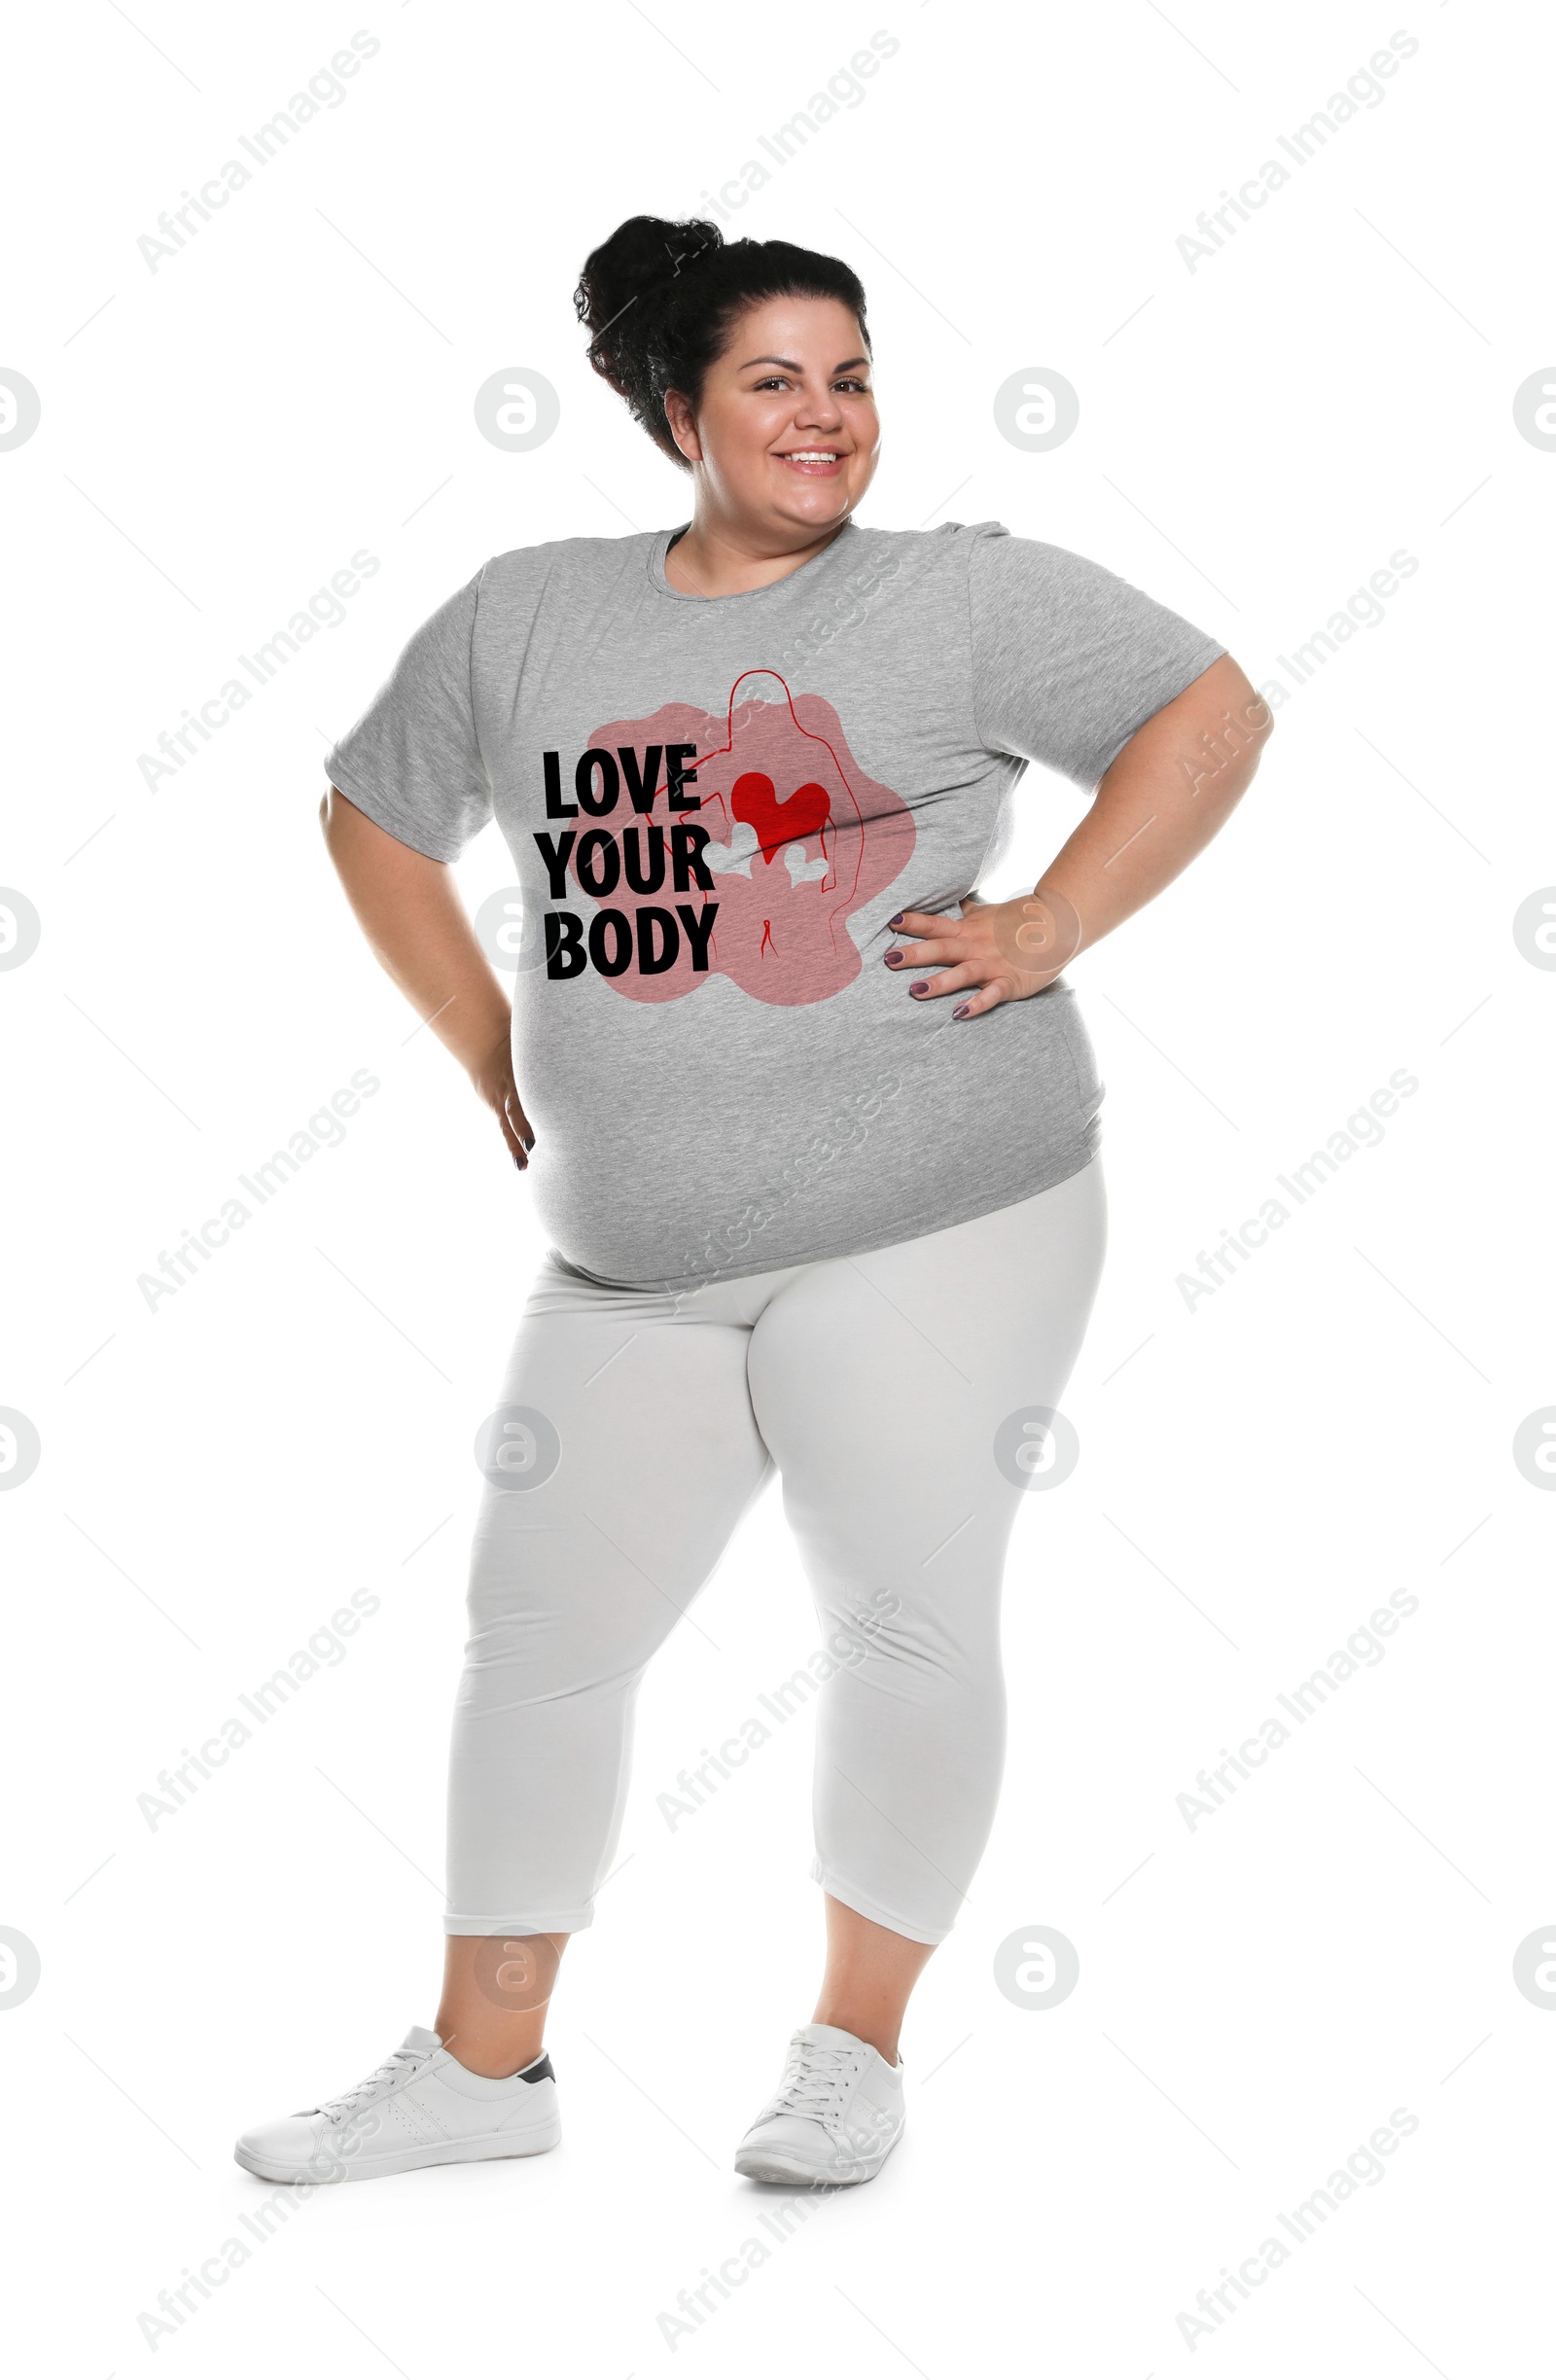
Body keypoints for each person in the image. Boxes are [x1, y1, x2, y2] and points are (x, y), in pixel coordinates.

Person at [234, 214, 1271, 2191]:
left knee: (896, 1612)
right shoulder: (527, 613)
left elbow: (1208, 712)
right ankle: (481, 2072)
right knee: (534, 1634)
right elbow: (372, 814)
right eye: (775, 379)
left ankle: (848, 2053)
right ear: (671, 409)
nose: (828, 415)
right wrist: (485, 1044)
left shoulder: (959, 600)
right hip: (626, 1263)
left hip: (938, 1212)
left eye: (853, 372)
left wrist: (1049, 919)